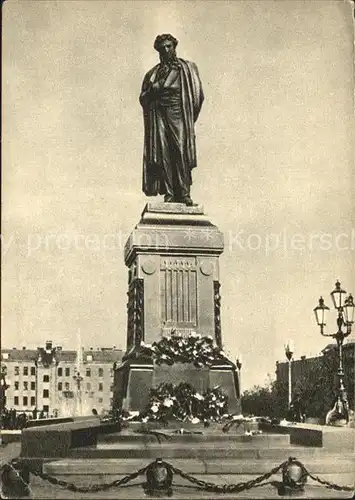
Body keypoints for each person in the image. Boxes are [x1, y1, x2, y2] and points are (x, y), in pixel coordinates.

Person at [140, 34, 204, 206]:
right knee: (164, 152)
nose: (166, 50)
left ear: (174, 47)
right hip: (159, 114)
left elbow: (198, 96)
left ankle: (184, 192)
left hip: (178, 113)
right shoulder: (153, 74)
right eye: (162, 48)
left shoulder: (187, 68)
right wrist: (153, 90)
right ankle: (169, 193)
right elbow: (143, 98)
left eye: (169, 47)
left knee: (180, 150)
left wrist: (188, 117)